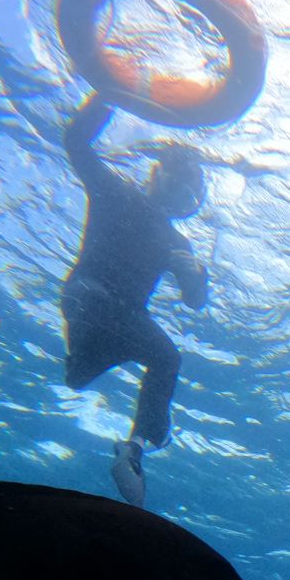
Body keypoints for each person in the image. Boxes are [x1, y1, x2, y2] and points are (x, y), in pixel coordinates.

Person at [60, 94, 208, 508]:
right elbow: (76, 143)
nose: (180, 199)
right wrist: (107, 95)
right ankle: (83, 356)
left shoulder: (178, 243)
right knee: (90, 321)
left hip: (120, 321)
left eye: (189, 196)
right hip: (91, 299)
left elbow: (194, 301)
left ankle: (135, 451)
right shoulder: (115, 192)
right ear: (156, 174)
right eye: (177, 186)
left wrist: (196, 276)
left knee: (167, 358)